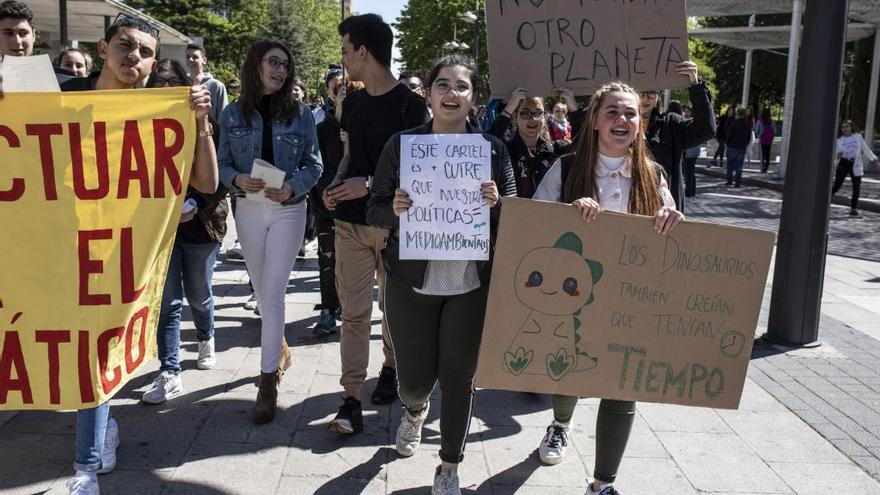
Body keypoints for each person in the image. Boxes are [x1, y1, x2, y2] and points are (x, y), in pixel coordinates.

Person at [54, 13, 218, 495]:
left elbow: (206, 183)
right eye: (126, 46)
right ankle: (101, 424)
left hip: (126, 249)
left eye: (146, 52)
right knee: (72, 348)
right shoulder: (63, 99)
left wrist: (201, 122)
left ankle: (85, 465)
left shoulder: (160, 110)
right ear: (103, 49)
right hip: (63, 242)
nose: (136, 58)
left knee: (97, 347)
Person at [367, 54, 516, 495]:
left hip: (470, 283)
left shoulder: (492, 149)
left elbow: (514, 213)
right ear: (428, 94)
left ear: (475, 97)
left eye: (462, 86)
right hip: (411, 281)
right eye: (443, 85)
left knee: (459, 377)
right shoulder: (402, 145)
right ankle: (415, 410)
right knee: (414, 379)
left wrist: (497, 204)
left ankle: (449, 465)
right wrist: (394, 210)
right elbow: (373, 209)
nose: (453, 94)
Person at [531, 80, 683, 495]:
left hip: (630, 302)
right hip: (575, 299)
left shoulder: (653, 175)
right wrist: (568, 214)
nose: (622, 120)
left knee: (623, 388)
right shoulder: (565, 168)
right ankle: (560, 424)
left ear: (641, 124)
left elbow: (671, 227)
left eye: (630, 114)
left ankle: (602, 483)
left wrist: (672, 221)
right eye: (613, 112)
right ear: (595, 120)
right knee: (570, 372)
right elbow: (533, 228)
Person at [321, 13, 429, 433]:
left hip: (394, 226)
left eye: (346, 50)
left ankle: (390, 367)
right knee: (353, 315)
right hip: (348, 223)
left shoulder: (411, 104)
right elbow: (349, 156)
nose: (344, 59)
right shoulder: (353, 101)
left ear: (363, 51)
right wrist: (335, 183)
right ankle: (350, 397)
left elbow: (417, 173)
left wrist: (365, 184)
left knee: (393, 310)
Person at [217, 38, 322, 424]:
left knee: (274, 293)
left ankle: (266, 382)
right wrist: (237, 178)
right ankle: (279, 349)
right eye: (272, 62)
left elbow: (315, 165)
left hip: (288, 210)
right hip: (247, 209)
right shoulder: (231, 114)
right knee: (261, 294)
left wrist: (293, 185)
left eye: (284, 64)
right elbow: (222, 163)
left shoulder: (302, 114)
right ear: (255, 66)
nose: (280, 70)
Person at [140, 59, 228, 405]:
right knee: (167, 302)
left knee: (199, 295)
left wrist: (192, 205)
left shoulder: (209, 125)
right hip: (162, 230)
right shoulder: (141, 127)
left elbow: (217, 184)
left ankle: (206, 336)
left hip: (201, 228)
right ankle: (170, 371)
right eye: (158, 83)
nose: (165, 89)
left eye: (172, 82)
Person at [312, 78, 364, 335]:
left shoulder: (365, 127)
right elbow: (314, 166)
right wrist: (327, 193)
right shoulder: (321, 129)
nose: (345, 95)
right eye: (339, 90)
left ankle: (348, 307)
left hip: (357, 210)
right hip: (326, 205)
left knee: (351, 264)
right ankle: (327, 310)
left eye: (352, 90)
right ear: (331, 95)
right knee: (327, 258)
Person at [637, 61, 715, 209]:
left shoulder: (670, 124)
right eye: (641, 92)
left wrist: (695, 84)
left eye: (652, 92)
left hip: (664, 213)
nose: (646, 98)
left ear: (658, 95)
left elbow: (705, 130)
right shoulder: (616, 124)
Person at [489, 86, 574, 198]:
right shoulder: (506, 151)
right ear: (515, 117)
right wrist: (509, 108)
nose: (533, 119)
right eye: (525, 113)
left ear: (545, 117)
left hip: (550, 214)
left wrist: (573, 108)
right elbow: (487, 143)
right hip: (514, 214)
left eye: (538, 113)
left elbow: (585, 144)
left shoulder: (557, 150)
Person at [834, 119, 877, 217]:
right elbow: (835, 155)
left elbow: (865, 149)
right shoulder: (839, 140)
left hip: (856, 163)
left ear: (851, 127)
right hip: (843, 163)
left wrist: (874, 160)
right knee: (837, 185)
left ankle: (853, 209)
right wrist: (837, 157)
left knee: (856, 188)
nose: (845, 129)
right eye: (843, 127)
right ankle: (825, 204)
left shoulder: (857, 137)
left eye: (847, 126)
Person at [185, 42, 228, 124]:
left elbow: (223, 117)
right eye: (188, 57)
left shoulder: (217, 86)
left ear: (204, 60)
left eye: (195, 57)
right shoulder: (181, 84)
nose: (190, 59)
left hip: (209, 135)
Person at [724, 107, 752, 188]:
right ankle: (737, 183)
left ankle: (729, 181)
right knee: (739, 166)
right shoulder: (747, 124)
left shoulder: (734, 123)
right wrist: (745, 144)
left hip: (732, 146)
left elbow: (729, 135)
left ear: (737, 114)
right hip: (742, 147)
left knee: (730, 165)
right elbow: (749, 137)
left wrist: (727, 143)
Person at [682, 104, 701, 200]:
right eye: (685, 111)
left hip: (691, 151)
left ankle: (689, 194)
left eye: (688, 111)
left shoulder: (692, 122)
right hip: (691, 151)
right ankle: (691, 193)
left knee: (689, 173)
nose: (686, 113)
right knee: (690, 173)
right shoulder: (691, 121)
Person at [755, 108, 775, 173]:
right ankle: (766, 168)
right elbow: (775, 131)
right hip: (769, 140)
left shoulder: (760, 121)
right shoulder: (772, 121)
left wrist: (759, 133)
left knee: (762, 154)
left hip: (762, 140)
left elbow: (756, 131)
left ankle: (762, 168)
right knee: (767, 154)